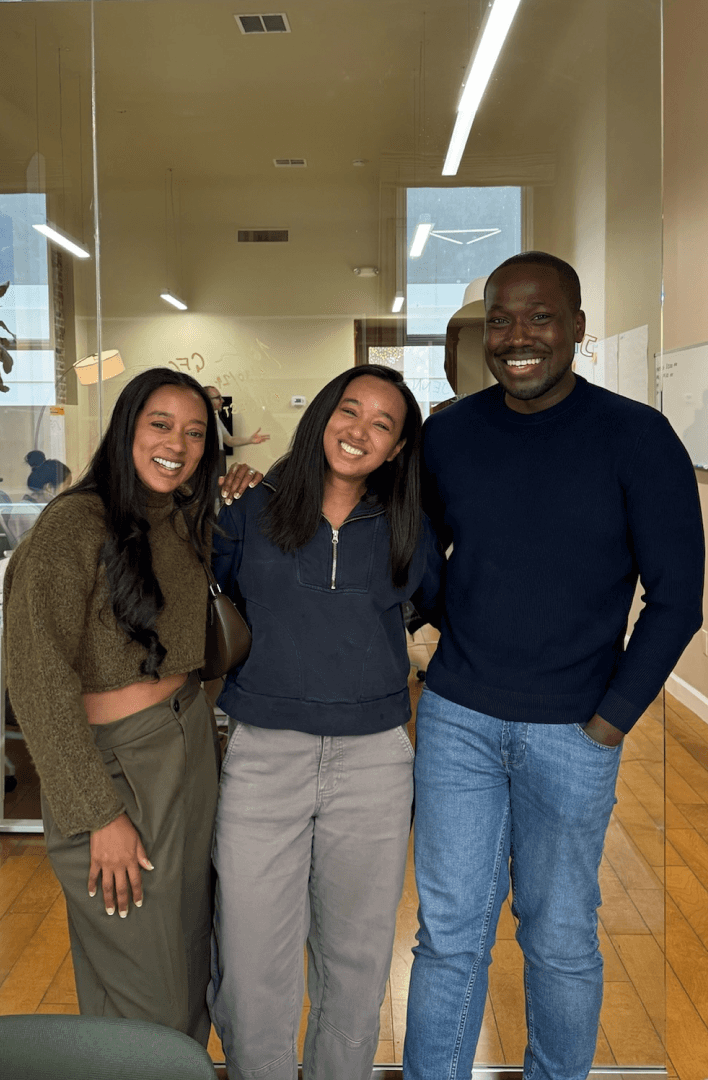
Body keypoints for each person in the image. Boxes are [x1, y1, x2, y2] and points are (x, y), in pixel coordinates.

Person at [403, 252, 705, 1080]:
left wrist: (609, 722)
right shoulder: (451, 432)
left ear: (577, 327)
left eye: (540, 317)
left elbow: (677, 601)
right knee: (449, 935)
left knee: (560, 933)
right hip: (459, 717)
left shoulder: (638, 438)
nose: (518, 337)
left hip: (575, 730)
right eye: (501, 319)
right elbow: (419, 563)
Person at [3, 367, 258, 1045]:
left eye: (196, 432)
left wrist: (247, 488)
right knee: (142, 988)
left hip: (189, 750)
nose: (179, 443)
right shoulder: (72, 525)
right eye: (161, 424)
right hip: (117, 772)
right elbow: (36, 678)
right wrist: (98, 814)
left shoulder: (180, 519)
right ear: (125, 430)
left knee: (187, 965)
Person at [208, 364, 444, 1080]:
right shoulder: (248, 507)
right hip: (262, 756)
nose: (360, 431)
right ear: (322, 416)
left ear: (398, 449)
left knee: (356, 962)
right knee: (252, 965)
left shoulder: (407, 523)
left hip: (374, 762)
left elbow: (432, 606)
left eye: (383, 424)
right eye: (351, 411)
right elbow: (200, 598)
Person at [203, 385, 271, 481]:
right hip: (206, 467)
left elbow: (229, 440)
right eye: (218, 398)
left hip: (218, 462)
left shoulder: (215, 419)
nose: (222, 401)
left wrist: (250, 440)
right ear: (206, 400)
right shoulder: (200, 421)